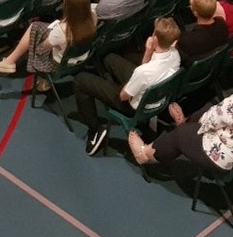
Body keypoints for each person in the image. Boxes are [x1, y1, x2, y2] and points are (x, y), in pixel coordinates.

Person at [72, 16, 183, 155]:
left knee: (81, 80)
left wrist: (127, 86)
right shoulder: (175, 55)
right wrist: (148, 51)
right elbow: (144, 71)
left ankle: (94, 131)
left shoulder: (142, 72)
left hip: (131, 105)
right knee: (109, 58)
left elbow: (123, 96)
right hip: (155, 97)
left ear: (155, 37)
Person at [0, 0, 96, 86]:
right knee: (37, 27)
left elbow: (44, 47)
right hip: (80, 57)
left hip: (57, 63)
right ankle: (9, 62)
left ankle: (9, 62)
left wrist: (44, 40)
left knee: (34, 32)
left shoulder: (62, 30)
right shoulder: (93, 17)